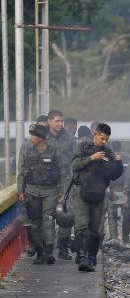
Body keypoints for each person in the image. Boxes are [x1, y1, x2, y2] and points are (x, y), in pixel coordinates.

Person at [72, 123, 123, 272]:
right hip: (82, 190)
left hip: (99, 192)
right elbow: (74, 165)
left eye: (106, 139)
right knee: (82, 226)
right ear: (95, 134)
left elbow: (114, 175)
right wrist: (91, 158)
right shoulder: (82, 147)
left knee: (95, 228)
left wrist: (119, 163)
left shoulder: (108, 152)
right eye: (102, 138)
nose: (104, 142)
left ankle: (91, 258)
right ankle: (81, 257)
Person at [17, 124, 69, 265]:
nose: (31, 138)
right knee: (35, 224)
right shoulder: (27, 151)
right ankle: (39, 252)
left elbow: (63, 174)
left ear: (41, 138)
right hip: (32, 191)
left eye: (34, 136)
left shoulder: (54, 152)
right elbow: (21, 172)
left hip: (50, 192)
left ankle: (49, 252)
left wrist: (63, 192)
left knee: (48, 220)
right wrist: (20, 190)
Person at [47, 110, 78, 260]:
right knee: (48, 215)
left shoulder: (70, 139)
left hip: (66, 181)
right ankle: (47, 247)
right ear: (49, 121)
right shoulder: (43, 138)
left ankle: (63, 247)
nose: (59, 124)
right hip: (47, 182)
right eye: (56, 121)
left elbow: (76, 159)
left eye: (61, 121)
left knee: (66, 215)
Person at [105, 141, 130, 243]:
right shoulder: (108, 159)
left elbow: (129, 176)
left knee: (127, 214)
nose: (116, 152)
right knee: (112, 214)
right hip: (113, 190)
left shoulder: (127, 159)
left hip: (123, 189)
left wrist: (126, 192)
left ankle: (125, 237)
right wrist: (109, 189)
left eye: (117, 150)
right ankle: (114, 237)